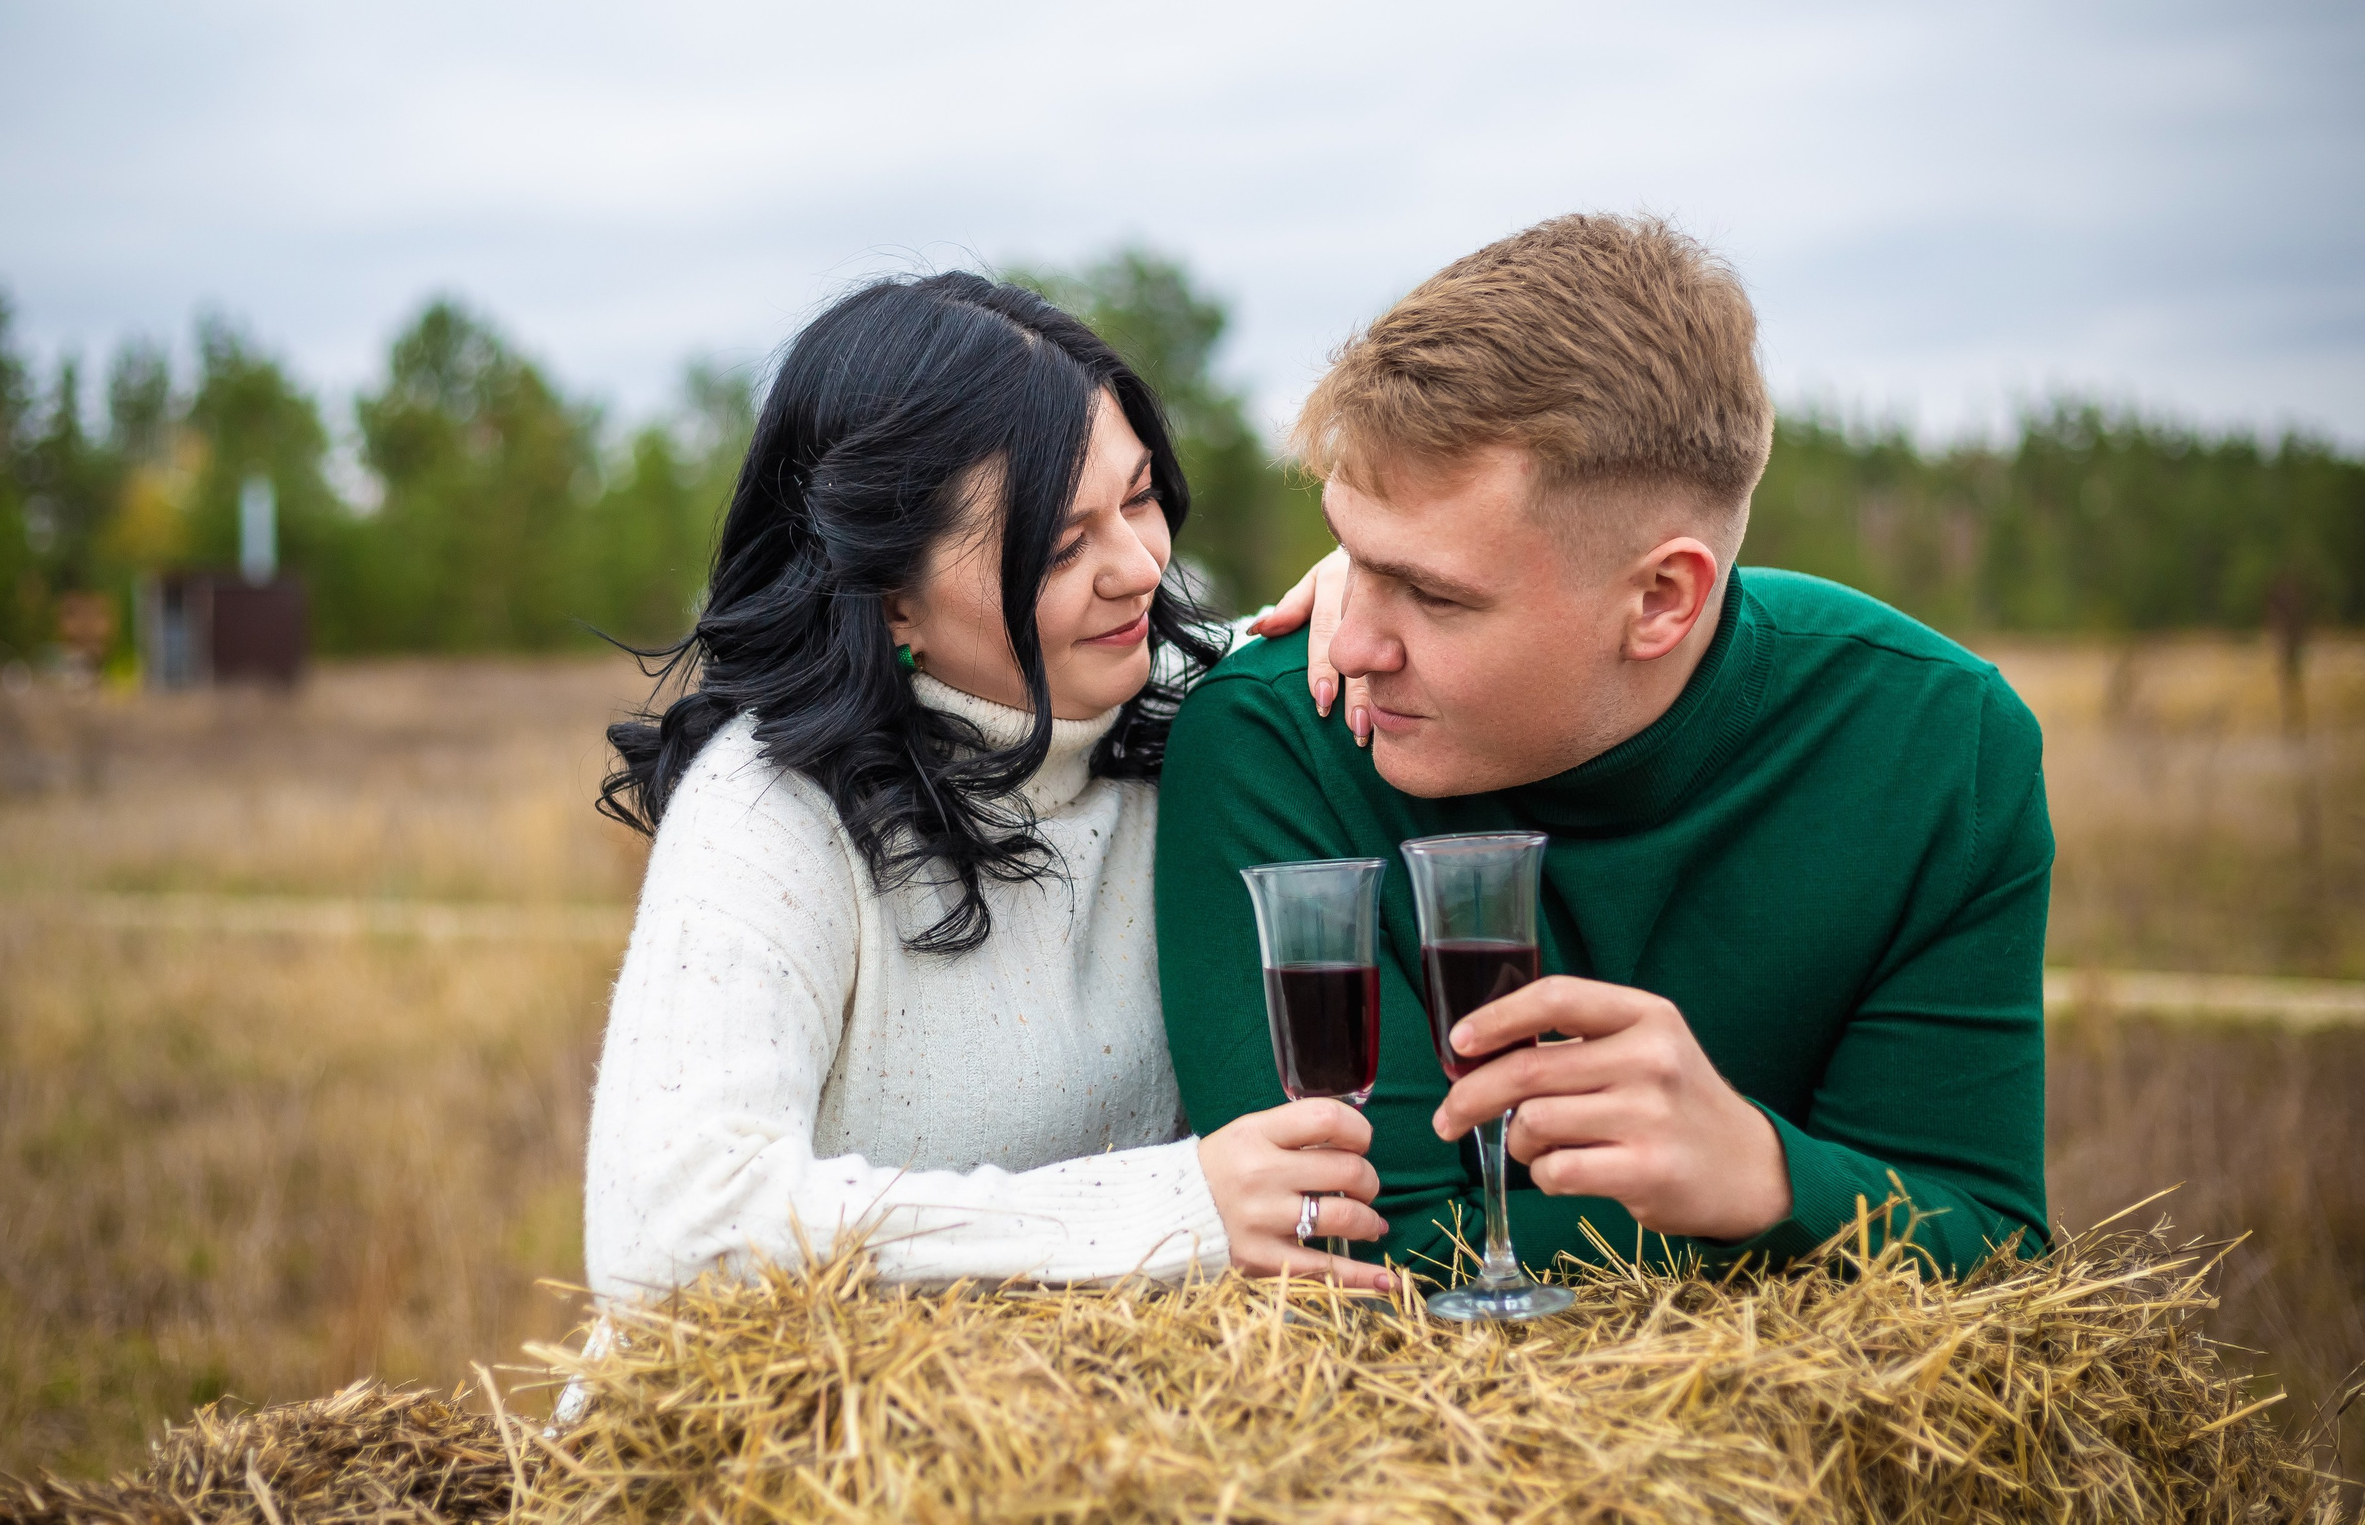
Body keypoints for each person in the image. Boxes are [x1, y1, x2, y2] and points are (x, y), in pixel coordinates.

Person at [1157, 214, 2052, 1281]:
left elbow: (1993, 1247)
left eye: (1434, 592)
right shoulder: (1274, 731)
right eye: (1356, 554)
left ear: (1661, 599)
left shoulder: (1937, 745)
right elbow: (1361, 1255)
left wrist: (1765, 1174)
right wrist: (1806, 1215)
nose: (1351, 643)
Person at [582, 270, 1394, 1309]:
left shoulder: (1179, 699)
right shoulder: (770, 805)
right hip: (801, 1449)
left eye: (1139, 495)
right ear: (888, 603)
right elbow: (670, 1236)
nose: (1142, 568)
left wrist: (1369, 583)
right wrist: (1167, 1208)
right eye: (1060, 543)